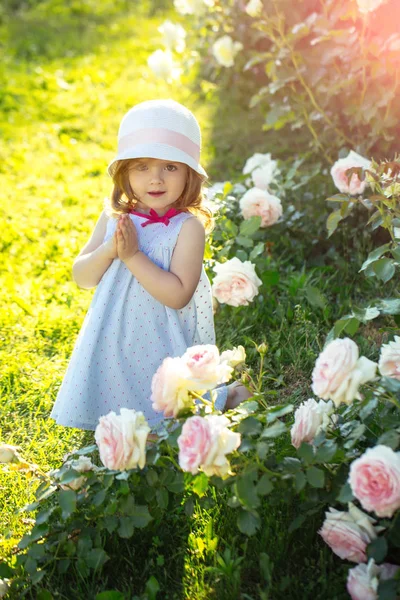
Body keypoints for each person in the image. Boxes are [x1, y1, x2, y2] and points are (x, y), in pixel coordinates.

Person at [50, 99, 250, 432]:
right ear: (123, 172)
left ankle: (226, 396)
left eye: (170, 167)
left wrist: (132, 257)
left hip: (160, 337)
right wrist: (109, 252)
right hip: (112, 336)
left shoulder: (187, 228)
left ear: (189, 174)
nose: (155, 179)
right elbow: (82, 276)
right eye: (142, 167)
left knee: (170, 405)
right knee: (118, 399)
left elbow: (178, 295)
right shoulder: (115, 218)